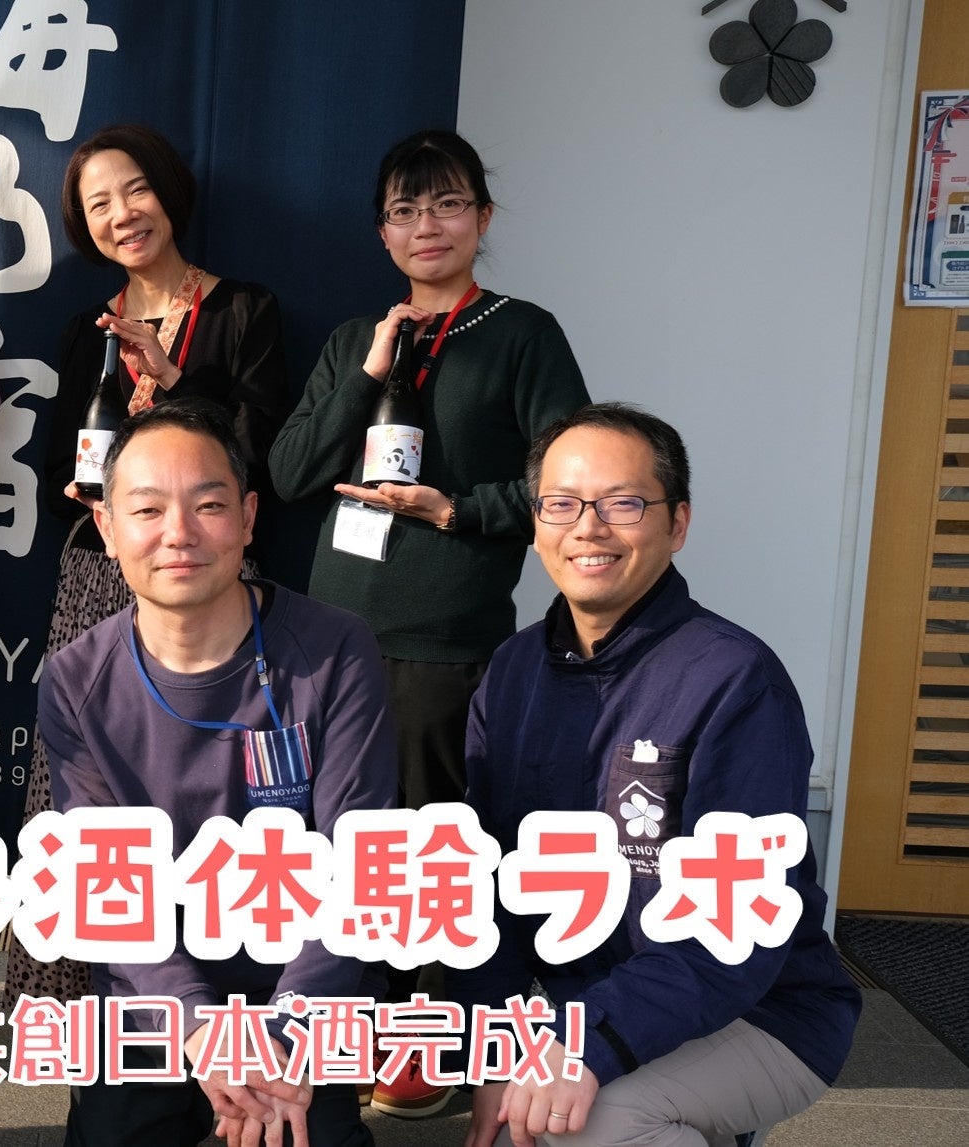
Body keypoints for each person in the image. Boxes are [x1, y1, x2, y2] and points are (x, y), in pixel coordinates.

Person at [267, 129, 588, 1115]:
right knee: (330, 842)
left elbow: (565, 480)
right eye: (404, 211)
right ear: (382, 233)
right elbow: (288, 474)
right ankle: (337, 1028)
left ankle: (426, 1040)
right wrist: (369, 370)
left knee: (426, 847)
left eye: (446, 204)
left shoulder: (522, 333)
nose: (426, 226)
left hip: (441, 638)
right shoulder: (354, 340)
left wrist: (458, 510)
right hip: (327, 637)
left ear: (481, 218)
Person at [448, 404, 859, 1147]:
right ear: (536, 522)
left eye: (623, 503)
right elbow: (487, 891)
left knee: (588, 1124)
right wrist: (495, 1059)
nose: (589, 528)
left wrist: (585, 1046)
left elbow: (734, 929)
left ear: (678, 523)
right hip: (591, 1002)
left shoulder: (734, 678)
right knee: (520, 1121)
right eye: (562, 504)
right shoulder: (512, 672)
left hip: (762, 1010)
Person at [41, 402, 393, 1147]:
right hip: (154, 992)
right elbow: (109, 887)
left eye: (208, 505)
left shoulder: (335, 649)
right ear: (106, 526)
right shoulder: (75, 678)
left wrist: (286, 1034)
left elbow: (358, 862)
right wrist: (201, 1027)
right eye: (147, 509)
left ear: (248, 517)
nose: (179, 533)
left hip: (299, 989)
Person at [7, 123, 289, 1008]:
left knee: (194, 778)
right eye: (98, 204)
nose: (122, 214)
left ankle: (195, 997)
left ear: (169, 192)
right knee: (77, 785)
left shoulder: (243, 312)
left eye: (135, 190)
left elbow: (261, 458)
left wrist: (172, 379)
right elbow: (62, 463)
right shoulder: (84, 332)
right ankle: (61, 998)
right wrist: (80, 489)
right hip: (97, 575)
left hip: (204, 585)